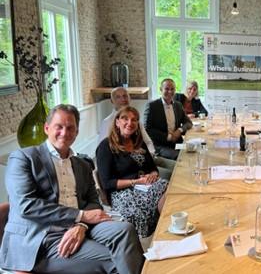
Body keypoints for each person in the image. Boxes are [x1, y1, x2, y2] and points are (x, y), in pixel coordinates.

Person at [0, 104, 144, 273]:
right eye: (58, 127)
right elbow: (26, 205)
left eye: (70, 128)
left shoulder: (82, 164)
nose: (65, 132)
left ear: (76, 132)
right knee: (116, 259)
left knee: (126, 230)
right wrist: (80, 215)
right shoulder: (23, 158)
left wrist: (81, 225)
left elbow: (93, 202)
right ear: (47, 128)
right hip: (40, 236)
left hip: (77, 225)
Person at [96, 106, 168, 238]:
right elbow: (107, 183)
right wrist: (136, 181)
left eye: (134, 120)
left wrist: (153, 175)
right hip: (122, 193)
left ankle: (165, 232)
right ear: (117, 122)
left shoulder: (138, 142)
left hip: (146, 186)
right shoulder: (106, 146)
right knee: (162, 191)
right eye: (125, 118)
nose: (130, 123)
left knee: (167, 187)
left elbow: (153, 168)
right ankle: (156, 235)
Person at [98, 87, 175, 180]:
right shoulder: (107, 122)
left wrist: (150, 156)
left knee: (178, 167)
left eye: (125, 96)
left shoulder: (135, 120)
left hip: (148, 157)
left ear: (130, 98)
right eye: (118, 97)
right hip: (130, 167)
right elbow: (104, 151)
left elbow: (148, 141)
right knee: (172, 175)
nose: (123, 99)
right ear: (111, 100)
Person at [144, 78, 193, 160]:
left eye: (172, 89)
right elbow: (147, 129)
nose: (170, 92)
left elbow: (188, 123)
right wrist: (169, 137)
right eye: (166, 89)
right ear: (161, 89)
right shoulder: (152, 106)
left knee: (193, 152)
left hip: (177, 142)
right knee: (180, 157)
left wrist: (179, 130)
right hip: (160, 145)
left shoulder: (178, 105)